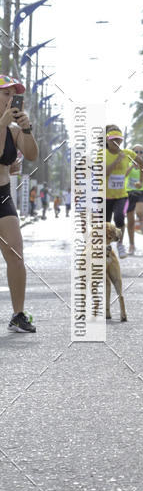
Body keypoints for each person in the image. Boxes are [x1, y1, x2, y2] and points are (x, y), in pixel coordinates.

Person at [0, 75, 38, 332]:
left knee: (15, 252)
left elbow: (33, 155)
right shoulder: (4, 125)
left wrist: (25, 129)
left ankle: (18, 314)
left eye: (14, 95)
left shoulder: (12, 131)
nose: (10, 99)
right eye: (5, 94)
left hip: (2, 195)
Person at [104, 125, 137, 259]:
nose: (116, 142)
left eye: (118, 140)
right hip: (105, 196)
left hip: (121, 195)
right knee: (105, 223)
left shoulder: (127, 154)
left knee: (119, 217)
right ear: (107, 140)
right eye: (113, 140)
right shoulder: (102, 154)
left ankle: (120, 244)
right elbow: (105, 172)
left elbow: (141, 162)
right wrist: (117, 160)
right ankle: (106, 247)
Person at [125, 144, 143, 255]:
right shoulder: (128, 163)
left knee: (139, 211)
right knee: (130, 222)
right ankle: (132, 244)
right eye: (136, 152)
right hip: (129, 192)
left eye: (141, 152)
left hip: (141, 191)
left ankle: (142, 218)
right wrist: (131, 166)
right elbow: (123, 175)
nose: (139, 154)